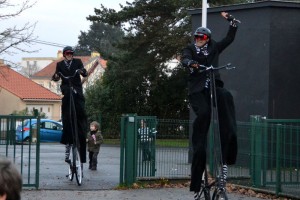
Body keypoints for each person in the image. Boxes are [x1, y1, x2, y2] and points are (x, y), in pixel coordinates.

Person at [181, 12, 239, 199]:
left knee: (226, 96)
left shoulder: (214, 47)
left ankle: (227, 152)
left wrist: (232, 22)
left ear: (207, 39)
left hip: (214, 86)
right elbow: (184, 59)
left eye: (202, 37)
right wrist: (191, 64)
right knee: (204, 113)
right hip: (198, 91)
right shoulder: (190, 48)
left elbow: (229, 38)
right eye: (197, 37)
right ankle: (199, 162)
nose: (199, 39)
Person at [52, 46, 88, 167]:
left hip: (76, 87)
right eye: (67, 53)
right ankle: (66, 117)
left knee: (79, 101)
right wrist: (56, 76)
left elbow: (85, 72)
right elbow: (56, 77)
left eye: (71, 53)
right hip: (66, 87)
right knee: (67, 97)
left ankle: (81, 116)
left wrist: (81, 71)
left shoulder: (77, 62)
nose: (69, 55)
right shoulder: (60, 64)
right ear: (64, 54)